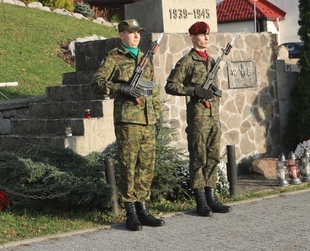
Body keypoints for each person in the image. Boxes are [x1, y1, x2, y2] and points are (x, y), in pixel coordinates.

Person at [91, 19, 164, 231]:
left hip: (148, 120)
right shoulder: (114, 57)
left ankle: (143, 208)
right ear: (121, 35)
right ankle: (130, 211)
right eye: (131, 33)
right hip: (128, 121)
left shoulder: (144, 58)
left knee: (146, 167)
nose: (135, 36)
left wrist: (156, 117)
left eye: (138, 33)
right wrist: (121, 88)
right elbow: (96, 83)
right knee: (128, 165)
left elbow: (153, 91)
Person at [165, 21, 232, 217]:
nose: (206, 38)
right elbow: (170, 86)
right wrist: (193, 90)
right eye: (202, 34)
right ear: (192, 37)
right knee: (198, 158)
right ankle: (200, 200)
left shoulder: (211, 61)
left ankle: (212, 197)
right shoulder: (187, 61)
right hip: (198, 118)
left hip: (213, 117)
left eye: (207, 34)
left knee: (213, 157)